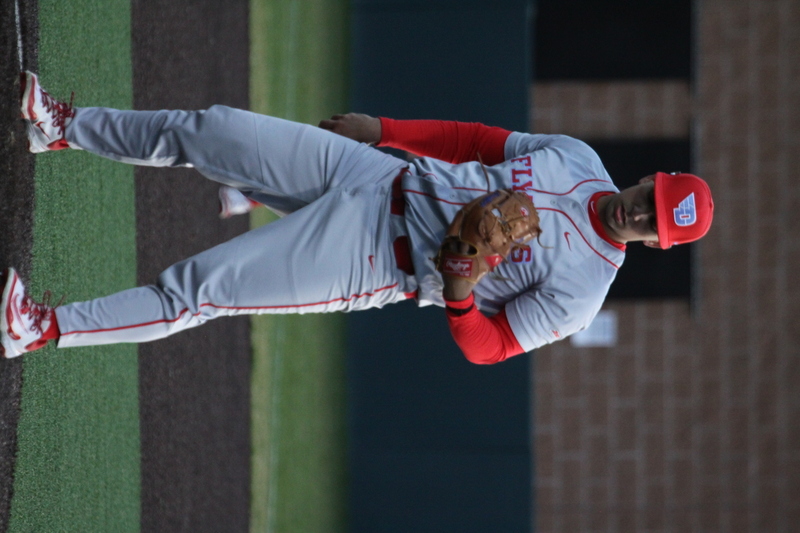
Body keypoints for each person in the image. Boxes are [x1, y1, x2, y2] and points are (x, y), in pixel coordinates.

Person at [1, 71, 714, 363]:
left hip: (376, 258)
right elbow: (475, 142)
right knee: (210, 128)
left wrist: (461, 288)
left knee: (199, 287)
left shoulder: (584, 291)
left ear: (655, 242)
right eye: (654, 195)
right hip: (381, 173)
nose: (642, 210)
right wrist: (385, 129)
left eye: (655, 222)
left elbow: (486, 346)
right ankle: (60, 126)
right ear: (653, 176)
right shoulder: (578, 157)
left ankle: (40, 329)